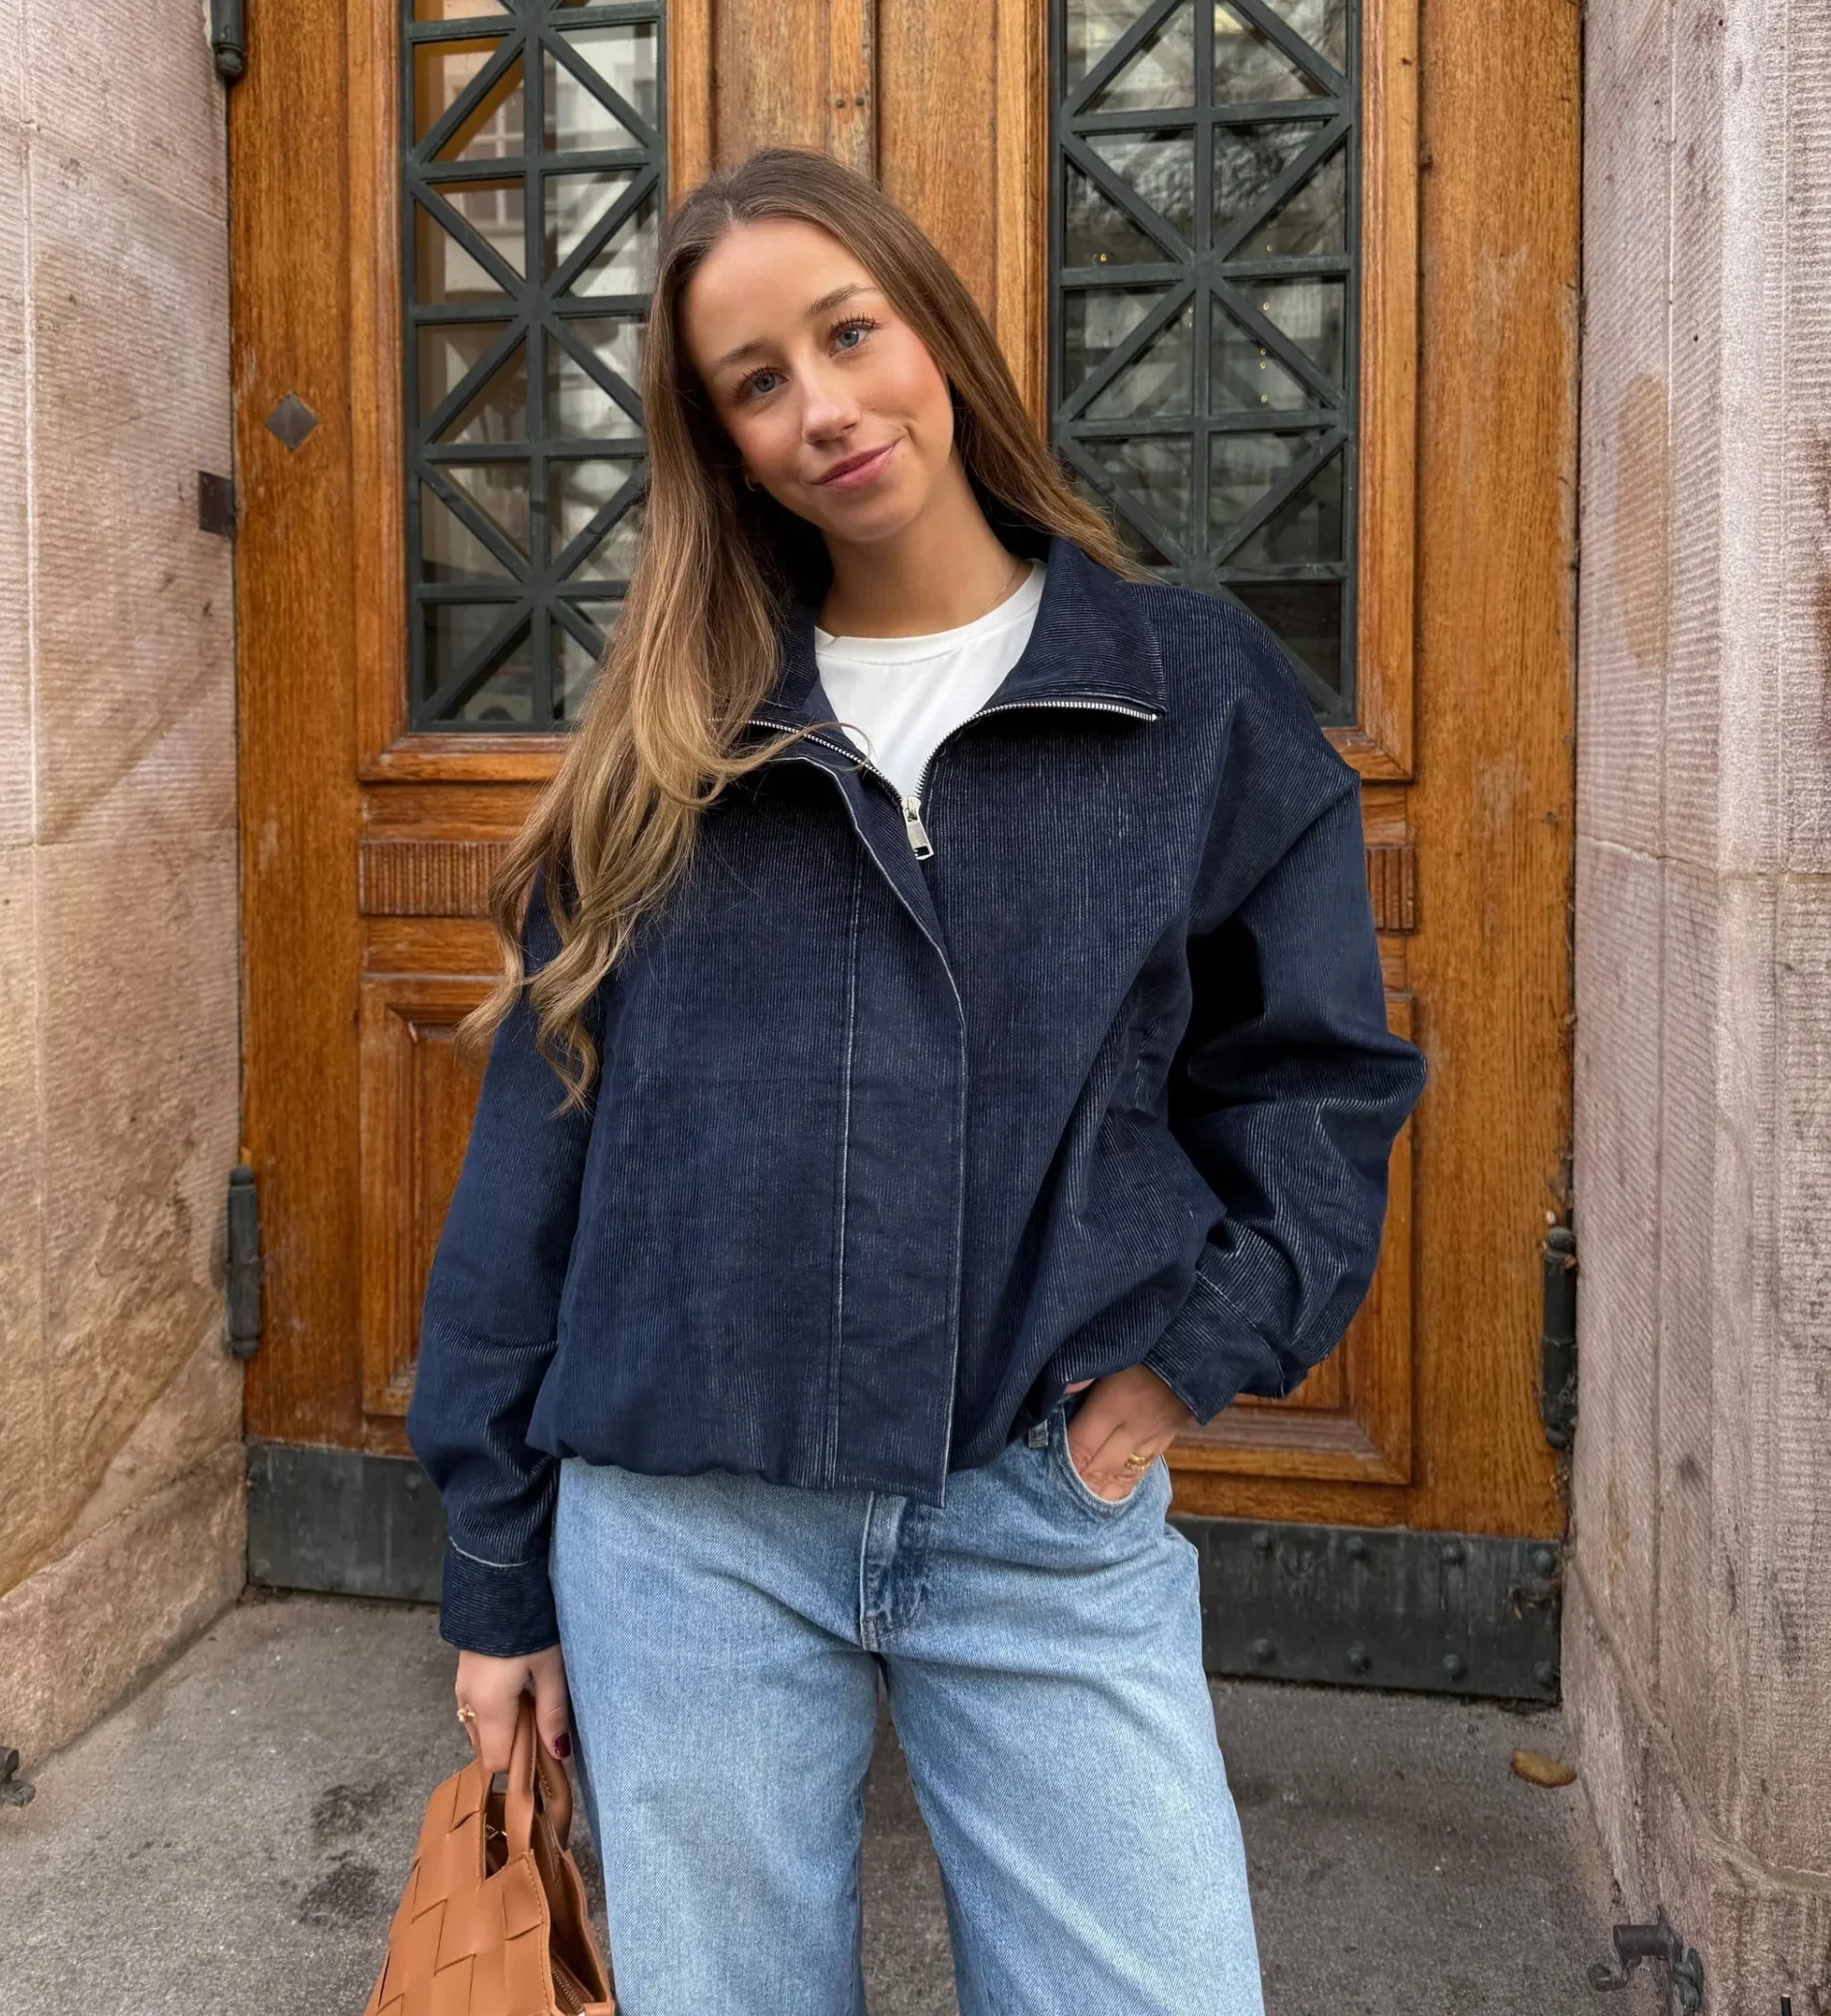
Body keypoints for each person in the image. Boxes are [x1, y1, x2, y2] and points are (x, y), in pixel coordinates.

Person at [408, 145, 1425, 2016]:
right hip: (684, 1528)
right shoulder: (671, 738)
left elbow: (1316, 1075)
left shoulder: (1188, 690)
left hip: (1040, 1511)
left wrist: (1192, 1352)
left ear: (933, 332)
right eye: (756, 381)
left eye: (847, 332)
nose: (823, 405)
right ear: (723, 445)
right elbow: (538, 1154)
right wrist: (497, 1573)